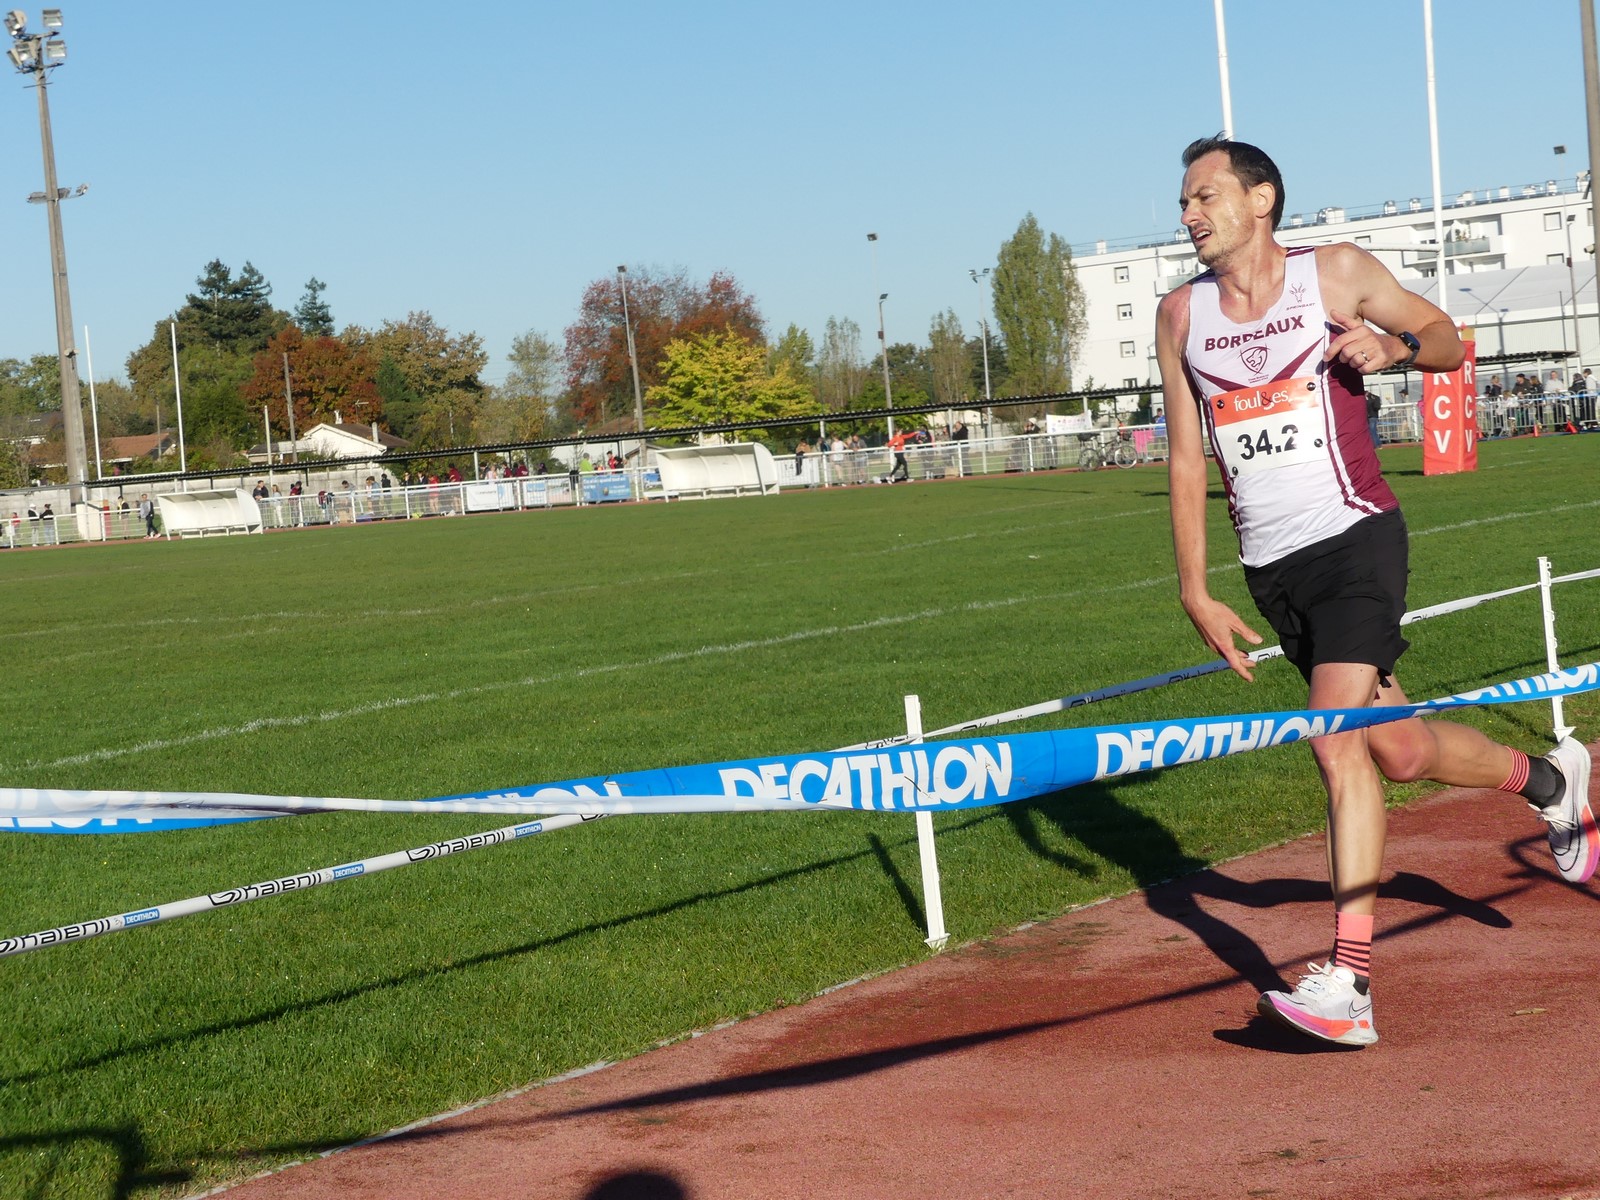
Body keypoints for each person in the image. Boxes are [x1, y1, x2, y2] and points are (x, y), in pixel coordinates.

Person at [1154, 134, 1595, 1048]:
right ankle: (1554, 782)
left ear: (1261, 199)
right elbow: (1187, 456)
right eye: (1184, 201)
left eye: (1205, 195)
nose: (1189, 213)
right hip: (1273, 570)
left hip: (1356, 541)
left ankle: (1349, 984)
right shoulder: (1180, 315)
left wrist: (1394, 347)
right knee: (1397, 748)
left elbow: (1448, 339)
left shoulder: (1335, 273)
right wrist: (1195, 587)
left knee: (1334, 741)